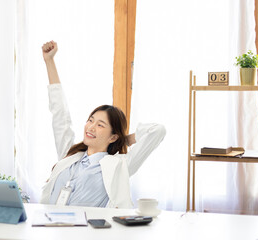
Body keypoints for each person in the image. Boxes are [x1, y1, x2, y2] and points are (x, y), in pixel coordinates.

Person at [40, 40, 166, 209]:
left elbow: (158, 131)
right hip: (51, 228)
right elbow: (60, 114)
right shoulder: (70, 155)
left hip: (87, 233)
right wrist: (49, 61)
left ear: (113, 136)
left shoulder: (120, 165)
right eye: (90, 120)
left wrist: (125, 140)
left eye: (100, 125)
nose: (91, 127)